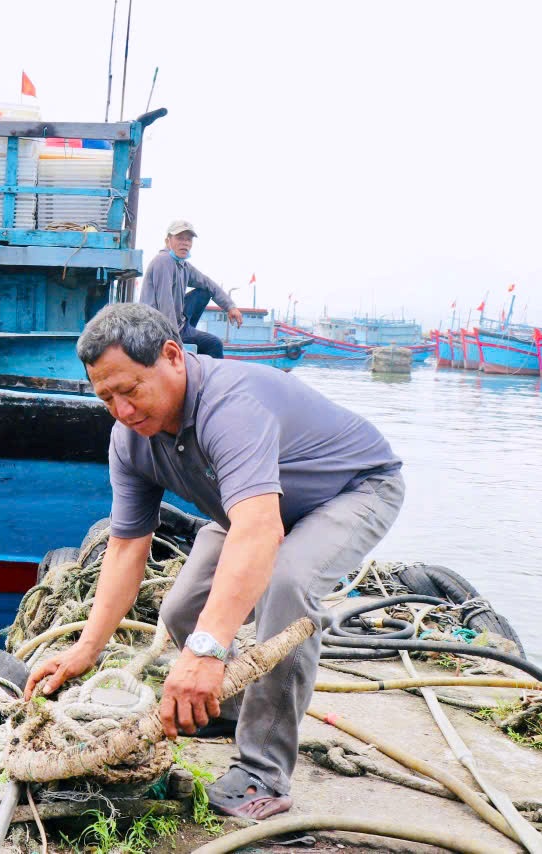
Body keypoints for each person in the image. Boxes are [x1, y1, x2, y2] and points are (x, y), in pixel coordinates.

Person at [24, 303, 404, 820]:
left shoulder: (231, 405)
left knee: (287, 586)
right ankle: (225, 709)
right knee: (182, 610)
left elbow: (259, 530)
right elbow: (128, 544)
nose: (123, 410)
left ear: (173, 357)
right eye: (106, 398)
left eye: (132, 389)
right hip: (252, 505)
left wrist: (205, 654)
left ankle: (262, 771)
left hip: (350, 490)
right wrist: (86, 648)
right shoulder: (129, 439)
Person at [138, 220, 243, 358]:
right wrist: (174, 342)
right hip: (158, 329)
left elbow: (208, 283)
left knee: (205, 291)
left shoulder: (183, 266)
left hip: (178, 326)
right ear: (167, 240)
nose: (185, 243)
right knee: (214, 344)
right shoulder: (163, 261)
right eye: (180, 238)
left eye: (188, 239)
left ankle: (187, 336)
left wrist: (230, 307)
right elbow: (165, 304)